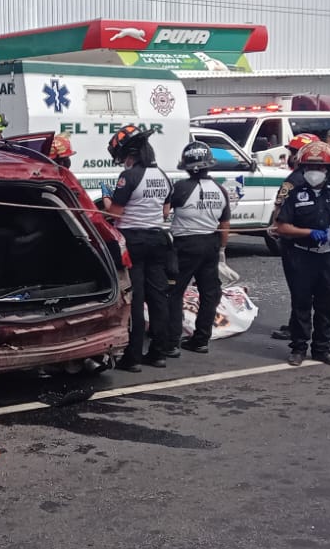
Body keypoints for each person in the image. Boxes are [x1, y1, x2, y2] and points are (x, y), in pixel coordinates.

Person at [98, 124, 173, 371]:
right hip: (158, 239)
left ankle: (132, 358)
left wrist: (107, 198)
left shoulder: (128, 177)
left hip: (133, 241)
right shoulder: (162, 175)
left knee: (135, 299)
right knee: (158, 298)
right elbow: (164, 211)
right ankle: (159, 353)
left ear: (128, 154)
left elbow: (115, 212)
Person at [273, 142, 330, 367]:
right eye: (309, 168)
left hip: (328, 257)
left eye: (318, 168)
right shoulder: (295, 194)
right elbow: (282, 227)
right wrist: (309, 232)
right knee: (301, 303)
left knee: (327, 303)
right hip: (302, 255)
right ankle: (298, 348)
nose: (314, 172)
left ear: (328, 170)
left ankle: (322, 349)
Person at [166, 142, 231, 355]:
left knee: (174, 293)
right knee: (209, 294)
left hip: (185, 245)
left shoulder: (181, 188)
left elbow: (164, 214)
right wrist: (221, 251)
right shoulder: (220, 190)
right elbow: (224, 225)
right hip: (210, 245)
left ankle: (172, 341)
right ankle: (201, 340)